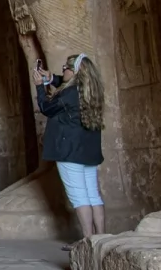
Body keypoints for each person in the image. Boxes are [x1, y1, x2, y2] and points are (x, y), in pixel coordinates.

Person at [33, 54, 106, 251]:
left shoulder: (69, 94)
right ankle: (101, 238)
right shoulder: (92, 90)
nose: (63, 69)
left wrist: (40, 86)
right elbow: (65, 82)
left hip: (69, 151)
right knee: (93, 195)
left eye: (66, 67)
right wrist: (51, 78)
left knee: (79, 197)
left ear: (75, 72)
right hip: (88, 151)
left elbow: (46, 107)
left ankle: (87, 241)